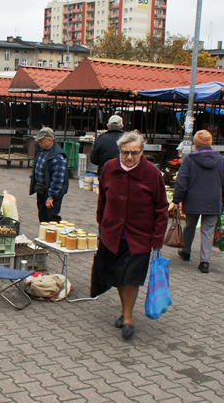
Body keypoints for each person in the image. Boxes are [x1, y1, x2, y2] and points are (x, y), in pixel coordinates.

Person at [91, 131, 168, 340]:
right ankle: (125, 312)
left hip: (140, 236)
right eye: (125, 152)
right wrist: (102, 221)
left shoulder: (152, 174)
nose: (130, 157)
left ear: (142, 152)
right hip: (113, 234)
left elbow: (162, 207)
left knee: (131, 277)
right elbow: (103, 199)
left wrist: (157, 237)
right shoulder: (109, 168)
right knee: (119, 277)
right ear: (120, 151)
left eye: (134, 153)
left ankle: (127, 319)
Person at [172, 130, 224, 274]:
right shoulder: (220, 161)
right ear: (210, 143)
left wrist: (176, 200)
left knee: (190, 226)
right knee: (208, 231)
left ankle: (186, 251)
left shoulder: (189, 160)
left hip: (193, 200)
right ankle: (205, 262)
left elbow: (181, 182)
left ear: (196, 144)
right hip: (213, 201)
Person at [29, 127, 69, 223]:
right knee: (42, 215)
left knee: (51, 216)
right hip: (41, 189)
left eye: (41, 140)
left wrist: (51, 197)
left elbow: (58, 179)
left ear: (49, 140)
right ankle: (44, 236)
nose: (39, 142)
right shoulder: (41, 150)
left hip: (52, 191)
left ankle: (54, 236)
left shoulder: (58, 156)